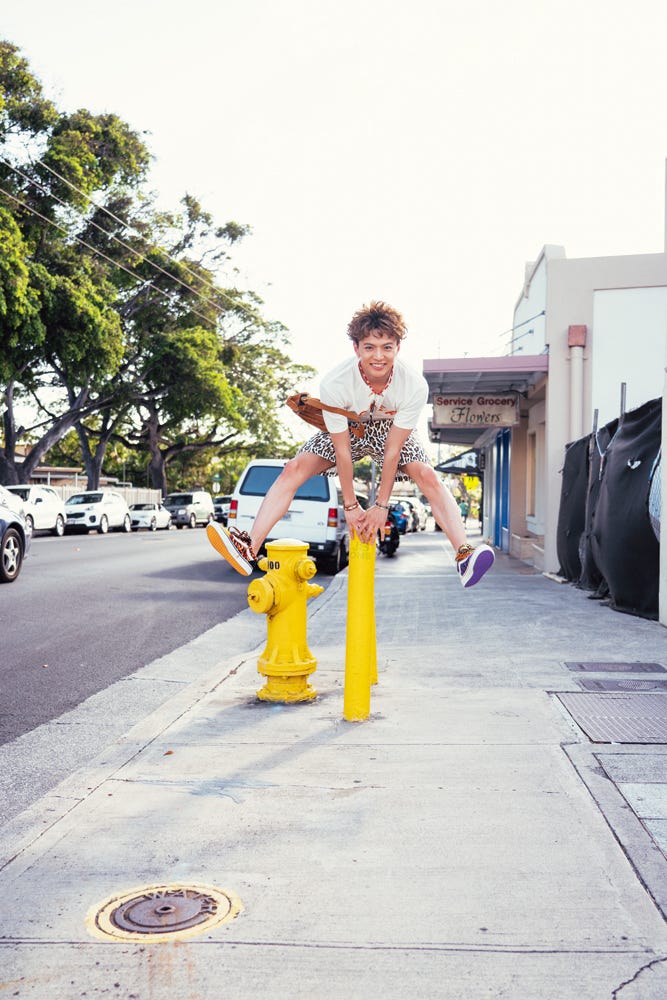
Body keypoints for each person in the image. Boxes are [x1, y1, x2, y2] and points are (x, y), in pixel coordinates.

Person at [207, 300, 494, 588]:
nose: (378, 356)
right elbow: (342, 451)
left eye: (387, 347)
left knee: (428, 475)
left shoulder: (414, 385)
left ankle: (463, 554)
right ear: (356, 348)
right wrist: (351, 505)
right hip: (349, 426)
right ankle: (249, 548)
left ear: (398, 347)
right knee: (293, 469)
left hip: (388, 429)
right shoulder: (335, 383)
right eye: (369, 347)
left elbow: (392, 451)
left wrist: (381, 506)